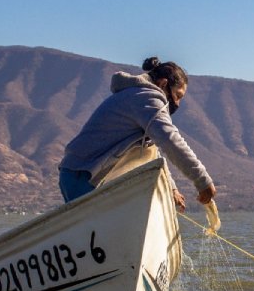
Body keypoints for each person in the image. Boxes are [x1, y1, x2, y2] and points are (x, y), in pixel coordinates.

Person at [58, 56, 216, 212]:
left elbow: (152, 152)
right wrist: (202, 181)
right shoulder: (147, 98)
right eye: (178, 95)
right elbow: (170, 141)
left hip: (77, 173)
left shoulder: (138, 97)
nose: (177, 103)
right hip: (82, 176)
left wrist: (171, 188)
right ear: (163, 84)